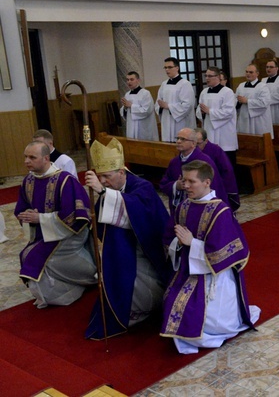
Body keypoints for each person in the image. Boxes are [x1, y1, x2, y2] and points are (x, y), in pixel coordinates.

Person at [160, 160, 258, 354]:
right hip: (188, 268)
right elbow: (170, 237)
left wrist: (192, 243)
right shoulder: (183, 206)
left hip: (214, 276)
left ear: (206, 182)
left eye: (191, 181)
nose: (185, 186)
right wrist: (178, 243)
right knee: (170, 301)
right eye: (183, 180)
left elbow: (224, 252)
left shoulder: (220, 211)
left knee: (207, 321)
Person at [82, 138, 169, 339]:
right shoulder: (112, 187)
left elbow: (138, 216)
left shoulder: (143, 186)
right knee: (116, 271)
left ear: (122, 172)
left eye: (107, 176)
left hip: (148, 251)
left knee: (128, 277)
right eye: (99, 176)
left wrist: (103, 192)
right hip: (124, 247)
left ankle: (143, 307)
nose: (103, 181)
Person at [15, 141, 96, 308]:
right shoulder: (28, 181)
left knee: (37, 256)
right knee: (27, 254)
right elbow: (21, 208)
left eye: (32, 157)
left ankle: (82, 282)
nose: (26, 161)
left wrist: (41, 219)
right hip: (44, 233)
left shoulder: (66, 181)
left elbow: (75, 216)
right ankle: (53, 293)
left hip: (68, 235)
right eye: (25, 157)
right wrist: (27, 216)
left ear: (46, 158)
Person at [159, 128, 228, 216]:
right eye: (178, 138)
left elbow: (214, 187)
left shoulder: (204, 161)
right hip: (180, 211)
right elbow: (164, 184)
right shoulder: (174, 162)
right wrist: (176, 185)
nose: (178, 141)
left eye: (183, 139)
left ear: (193, 143)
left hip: (201, 210)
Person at [196, 66, 238, 168]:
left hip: (224, 133)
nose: (207, 78)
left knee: (226, 164)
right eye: (206, 76)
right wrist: (201, 112)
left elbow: (228, 112)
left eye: (210, 76)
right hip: (209, 129)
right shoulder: (204, 92)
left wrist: (209, 111)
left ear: (218, 77)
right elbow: (198, 109)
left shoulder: (227, 92)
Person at [194, 128, 239, 212]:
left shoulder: (216, 150)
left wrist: (220, 185)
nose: (195, 147)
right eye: (194, 143)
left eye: (198, 144)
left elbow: (227, 170)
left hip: (215, 185)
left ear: (206, 140)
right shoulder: (190, 152)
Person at [156, 57, 196, 143]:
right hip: (167, 121)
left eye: (170, 67)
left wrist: (169, 106)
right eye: (165, 67)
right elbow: (158, 102)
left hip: (180, 122)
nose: (167, 70)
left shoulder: (185, 84)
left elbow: (188, 105)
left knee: (181, 143)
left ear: (177, 68)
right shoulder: (164, 84)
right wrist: (160, 107)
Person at [236, 63, 273, 136]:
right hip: (244, 118)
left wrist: (247, 101)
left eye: (251, 72)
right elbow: (235, 99)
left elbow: (264, 103)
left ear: (257, 73)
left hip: (258, 120)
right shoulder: (241, 86)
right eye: (246, 72)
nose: (248, 74)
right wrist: (238, 102)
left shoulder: (262, 87)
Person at [121, 71, 159, 141]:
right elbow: (125, 112)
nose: (129, 82)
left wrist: (131, 106)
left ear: (138, 80)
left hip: (143, 127)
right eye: (127, 79)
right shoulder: (127, 94)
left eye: (132, 79)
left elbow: (147, 110)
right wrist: (125, 108)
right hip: (131, 126)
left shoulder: (145, 93)